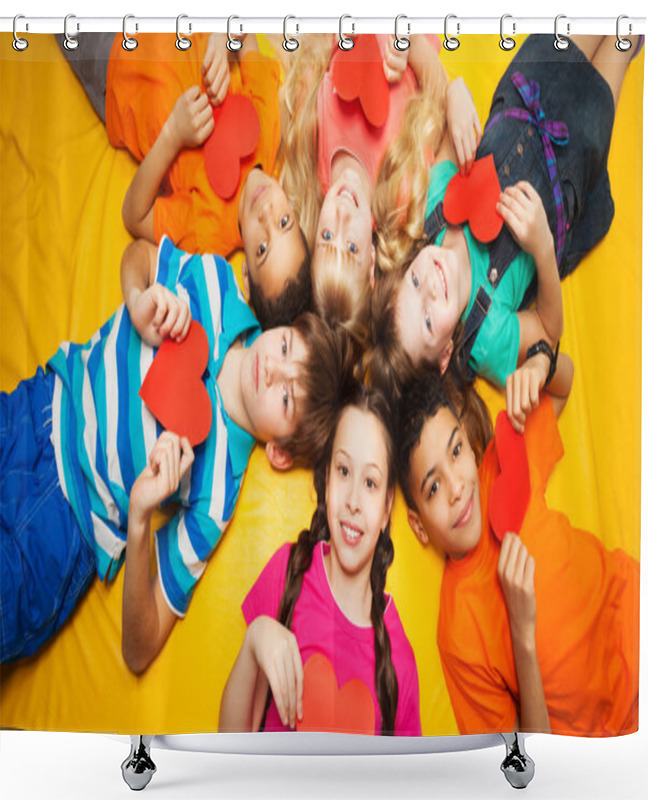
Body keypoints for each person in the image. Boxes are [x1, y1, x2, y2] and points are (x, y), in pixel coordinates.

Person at [0, 235, 351, 671]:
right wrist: (139, 297)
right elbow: (139, 256)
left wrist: (140, 518)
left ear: (279, 452)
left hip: (59, 529)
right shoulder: (214, 282)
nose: (274, 370)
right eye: (285, 348)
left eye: (286, 399)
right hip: (36, 407)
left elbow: (138, 650)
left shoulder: (218, 495)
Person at [370, 34, 641, 405]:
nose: (430, 286)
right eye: (429, 321)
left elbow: (452, 131)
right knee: (620, 47)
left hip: (529, 88)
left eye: (414, 282)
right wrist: (542, 247)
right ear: (446, 355)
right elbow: (549, 330)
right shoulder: (487, 338)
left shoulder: (430, 214)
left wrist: (455, 97)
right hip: (575, 155)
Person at [395, 371, 640, 735]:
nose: (457, 487)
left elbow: (565, 383)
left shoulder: (502, 460)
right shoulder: (458, 634)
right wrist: (521, 631)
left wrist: (541, 366)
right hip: (612, 739)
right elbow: (523, 762)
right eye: (433, 487)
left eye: (456, 451)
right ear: (418, 526)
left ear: (467, 440)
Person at [219, 383, 421, 736]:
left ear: (388, 506)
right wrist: (255, 640)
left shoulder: (399, 661)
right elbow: (230, 746)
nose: (353, 501)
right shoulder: (288, 572)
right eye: (343, 471)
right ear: (327, 477)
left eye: (370, 483)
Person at [74, 31, 312, 330]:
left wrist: (173, 134)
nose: (267, 214)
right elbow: (244, 34)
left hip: (117, 66)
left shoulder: (207, 231)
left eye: (262, 248)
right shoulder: (270, 126)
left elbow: (133, 216)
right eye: (284, 222)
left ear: (246, 277)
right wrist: (221, 42)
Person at [279, 33, 448, 341]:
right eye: (352, 247)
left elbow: (318, 48)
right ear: (371, 262)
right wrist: (412, 48)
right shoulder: (400, 193)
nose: (342, 215)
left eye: (328, 236)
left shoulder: (311, 144)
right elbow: (439, 95)